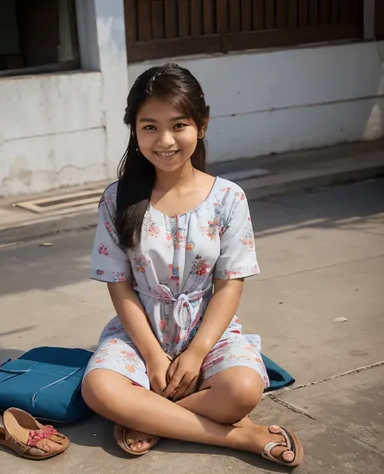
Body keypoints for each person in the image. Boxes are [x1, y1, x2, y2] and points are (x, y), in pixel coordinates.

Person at [81, 63, 303, 467]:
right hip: (140, 333)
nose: (164, 140)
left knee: (244, 390)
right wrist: (151, 355)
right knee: (98, 389)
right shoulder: (117, 199)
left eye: (178, 124)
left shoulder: (228, 198)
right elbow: (119, 285)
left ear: (201, 124)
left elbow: (230, 284)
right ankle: (240, 438)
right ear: (134, 129)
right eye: (149, 127)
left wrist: (198, 351)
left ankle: (147, 415)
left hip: (209, 331)